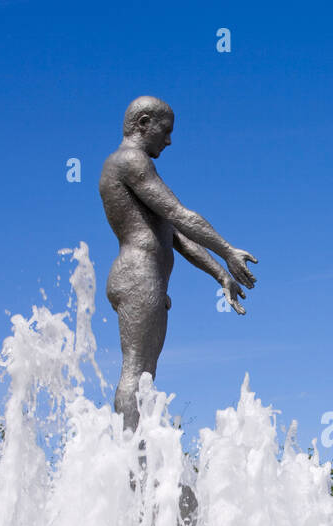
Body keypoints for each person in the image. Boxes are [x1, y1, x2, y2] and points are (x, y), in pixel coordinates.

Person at [99, 95, 258, 431]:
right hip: (138, 276)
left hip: (144, 278)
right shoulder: (129, 160)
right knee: (137, 371)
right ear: (143, 124)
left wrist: (220, 273)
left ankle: (140, 455)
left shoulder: (134, 166)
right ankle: (132, 466)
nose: (169, 140)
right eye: (165, 131)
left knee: (145, 375)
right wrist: (228, 250)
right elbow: (179, 214)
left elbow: (175, 235)